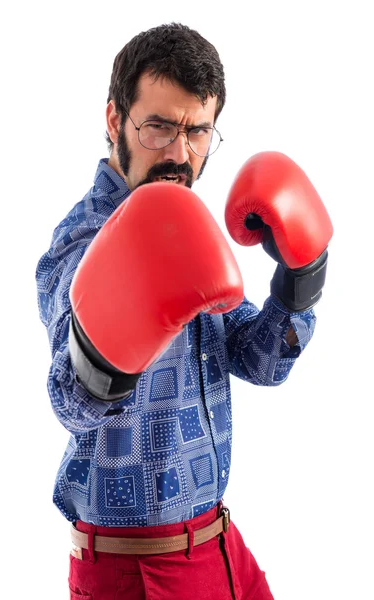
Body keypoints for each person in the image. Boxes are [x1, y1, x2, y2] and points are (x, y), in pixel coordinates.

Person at [36, 22, 332, 600]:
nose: (181, 152)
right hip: (141, 570)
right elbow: (70, 401)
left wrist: (300, 278)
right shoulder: (80, 241)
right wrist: (108, 349)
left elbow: (262, 361)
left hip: (220, 542)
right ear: (115, 120)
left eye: (198, 131)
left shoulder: (185, 229)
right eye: (159, 127)